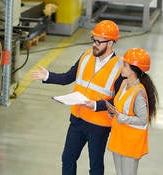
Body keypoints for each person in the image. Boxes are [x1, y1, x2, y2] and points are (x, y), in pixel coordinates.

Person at [30, 20, 124, 175]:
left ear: (111, 43)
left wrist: (95, 105)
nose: (95, 44)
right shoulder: (86, 56)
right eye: (94, 40)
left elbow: (118, 101)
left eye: (99, 42)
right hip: (78, 120)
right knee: (67, 158)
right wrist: (47, 76)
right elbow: (68, 77)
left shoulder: (119, 67)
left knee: (95, 167)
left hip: (98, 125)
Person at [105, 48, 158, 175]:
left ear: (133, 70)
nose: (121, 67)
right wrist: (113, 112)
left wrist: (121, 117)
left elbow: (143, 119)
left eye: (124, 65)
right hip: (119, 138)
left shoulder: (139, 92)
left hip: (130, 143)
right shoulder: (124, 84)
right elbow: (121, 106)